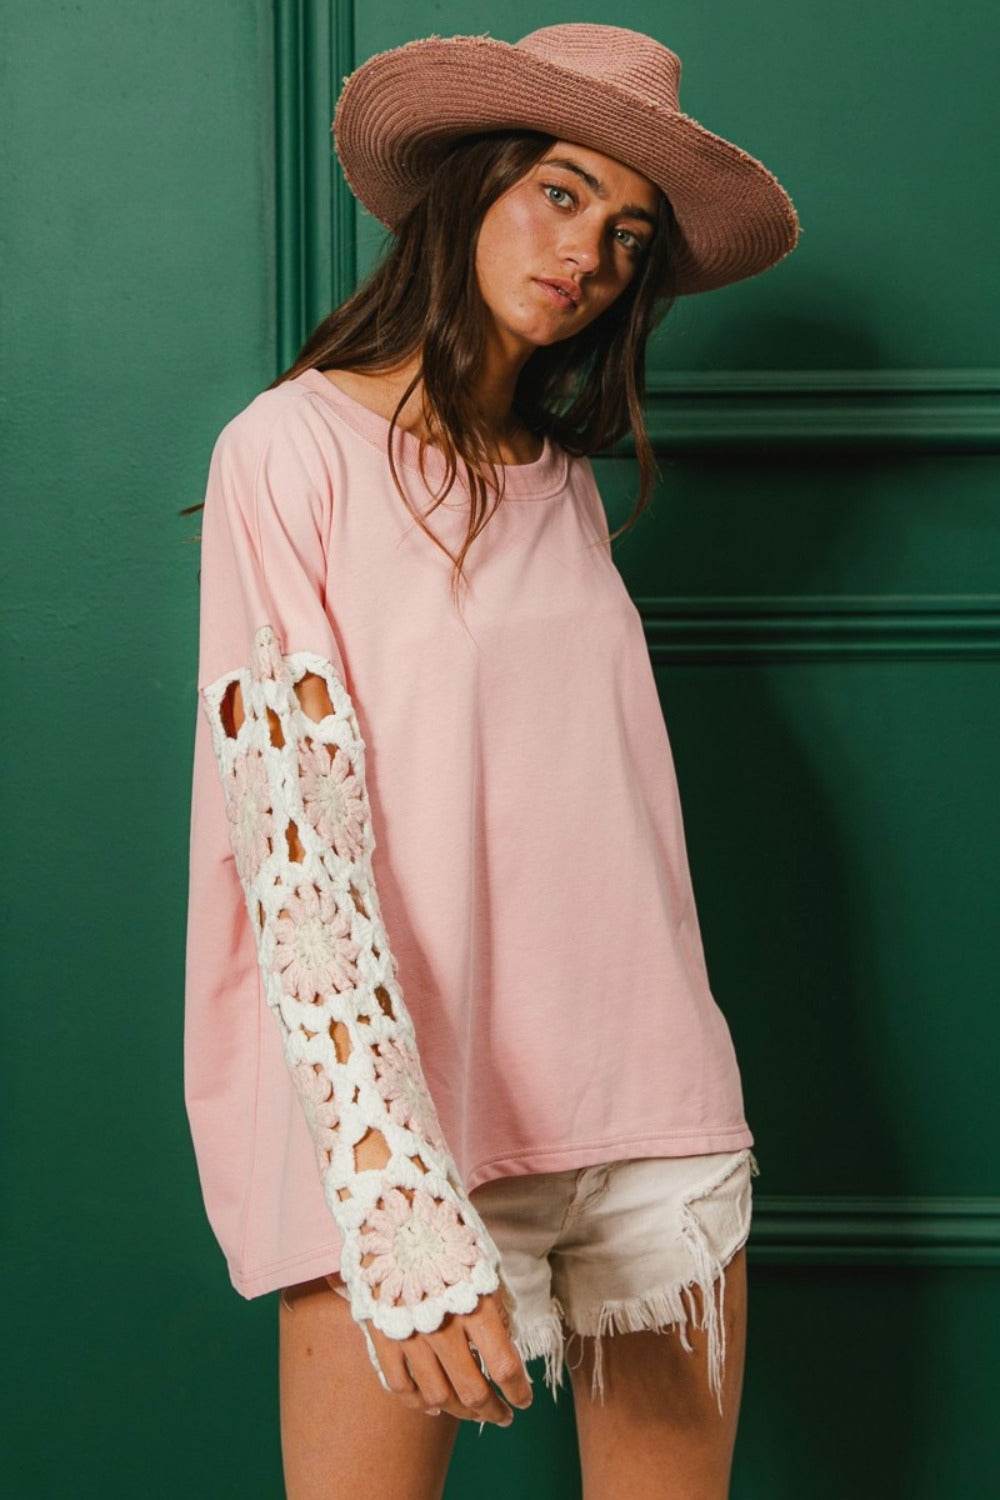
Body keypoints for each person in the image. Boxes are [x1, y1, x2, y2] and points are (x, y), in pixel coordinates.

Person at [183, 22, 800, 1498]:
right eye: (561, 193)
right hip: (412, 1128)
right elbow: (294, 853)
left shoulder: (562, 487)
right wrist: (397, 1193)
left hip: (649, 1113)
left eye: (628, 234)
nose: (589, 253)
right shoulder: (288, 452)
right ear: (472, 190)